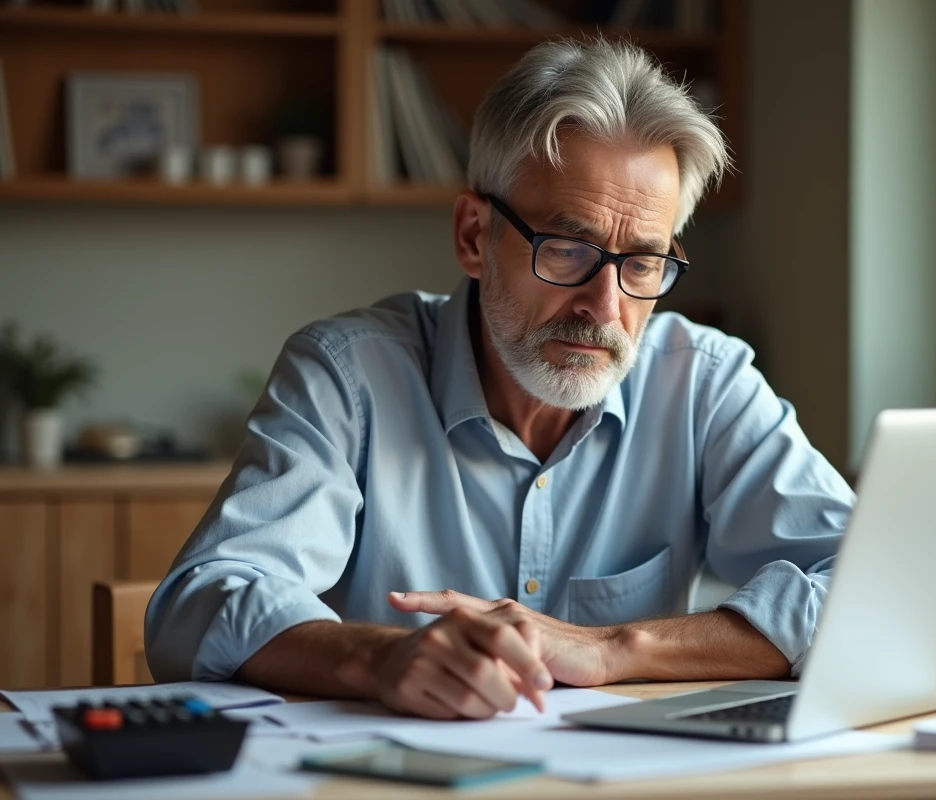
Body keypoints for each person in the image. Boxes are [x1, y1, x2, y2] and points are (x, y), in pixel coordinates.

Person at [145, 38, 855, 721]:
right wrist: (378, 658)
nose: (605, 308)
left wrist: (615, 648)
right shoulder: (348, 375)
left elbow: (871, 589)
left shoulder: (704, 382)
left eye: (641, 263)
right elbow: (200, 603)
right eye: (568, 249)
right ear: (473, 236)